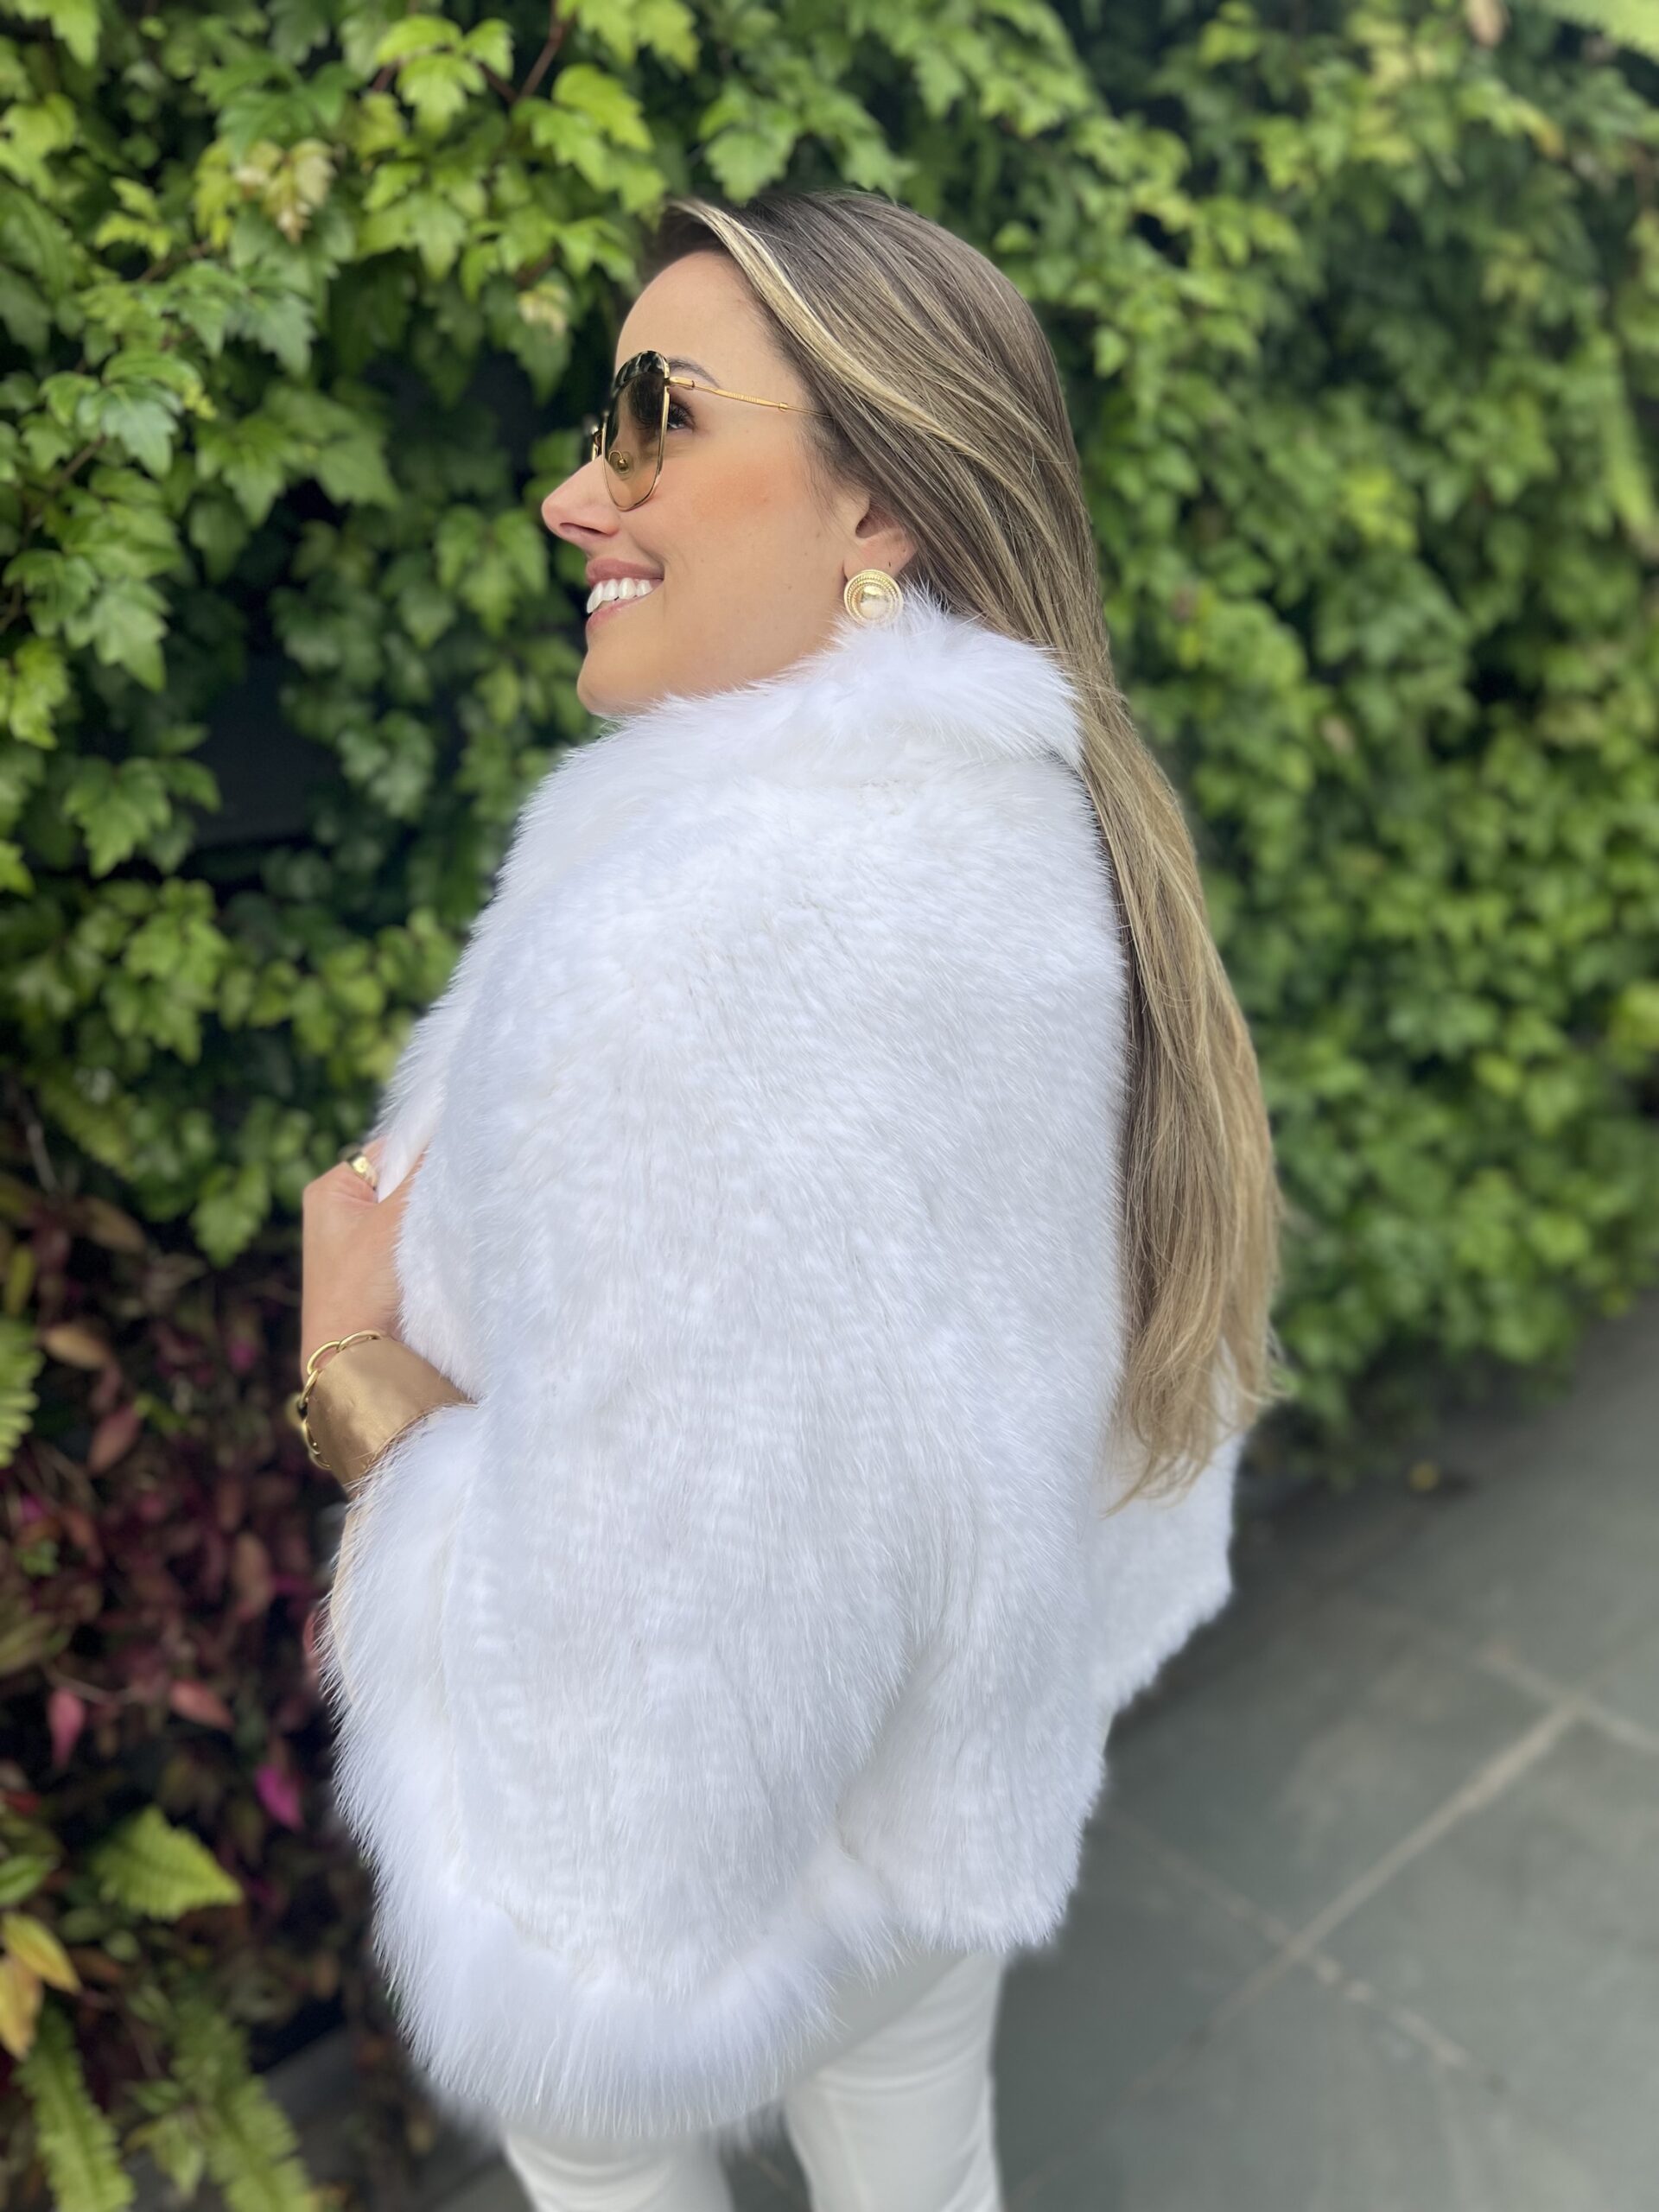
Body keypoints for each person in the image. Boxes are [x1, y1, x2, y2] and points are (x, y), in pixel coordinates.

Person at [296, 188, 1287, 2211]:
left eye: (654, 419)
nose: (578, 494)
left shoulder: (681, 948)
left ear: (879, 507)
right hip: (942, 1798)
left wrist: (357, 1372)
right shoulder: (1022, 828)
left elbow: (637, 1707)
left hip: (691, 1918)